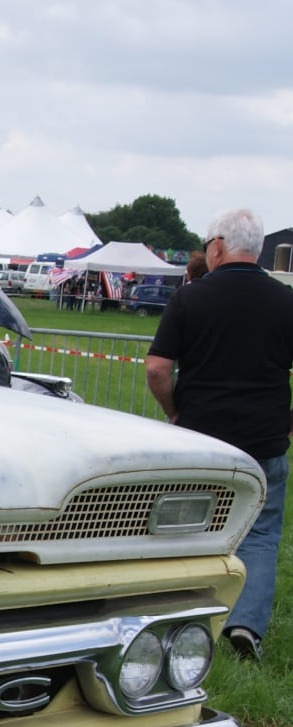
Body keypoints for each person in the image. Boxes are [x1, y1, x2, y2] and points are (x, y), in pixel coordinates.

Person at [146, 208, 293, 661]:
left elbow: (157, 367)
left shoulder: (191, 299)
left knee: (185, 530)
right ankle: (246, 625)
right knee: (262, 536)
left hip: (202, 439)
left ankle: (178, 620)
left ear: (217, 247)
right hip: (266, 440)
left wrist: (173, 411)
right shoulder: (287, 301)